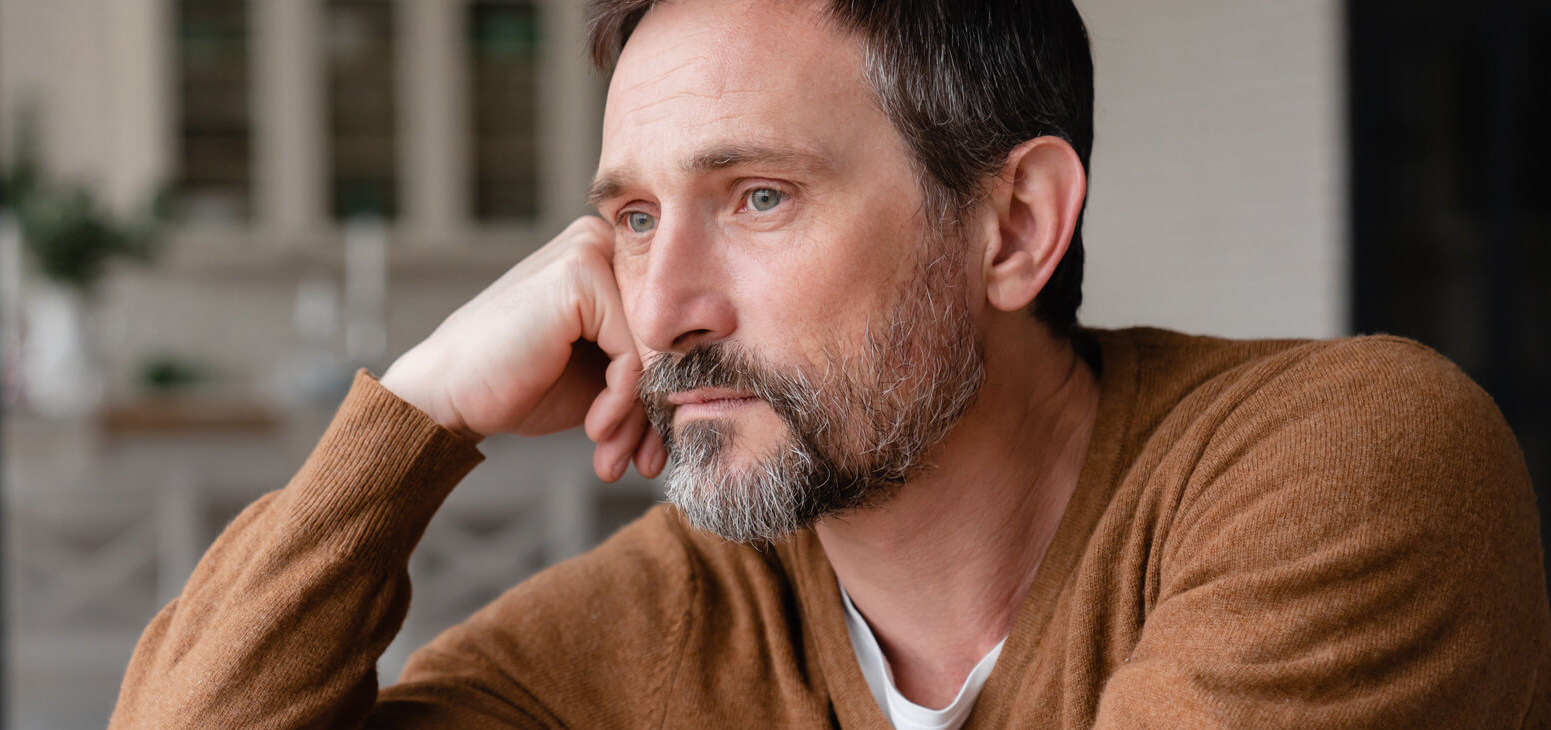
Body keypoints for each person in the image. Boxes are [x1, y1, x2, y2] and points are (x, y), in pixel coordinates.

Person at [110, 0, 1550, 726]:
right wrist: (418, 407)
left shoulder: (1348, 462)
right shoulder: (655, 628)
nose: (658, 303)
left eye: (759, 198)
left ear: (1014, 225)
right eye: (627, 215)